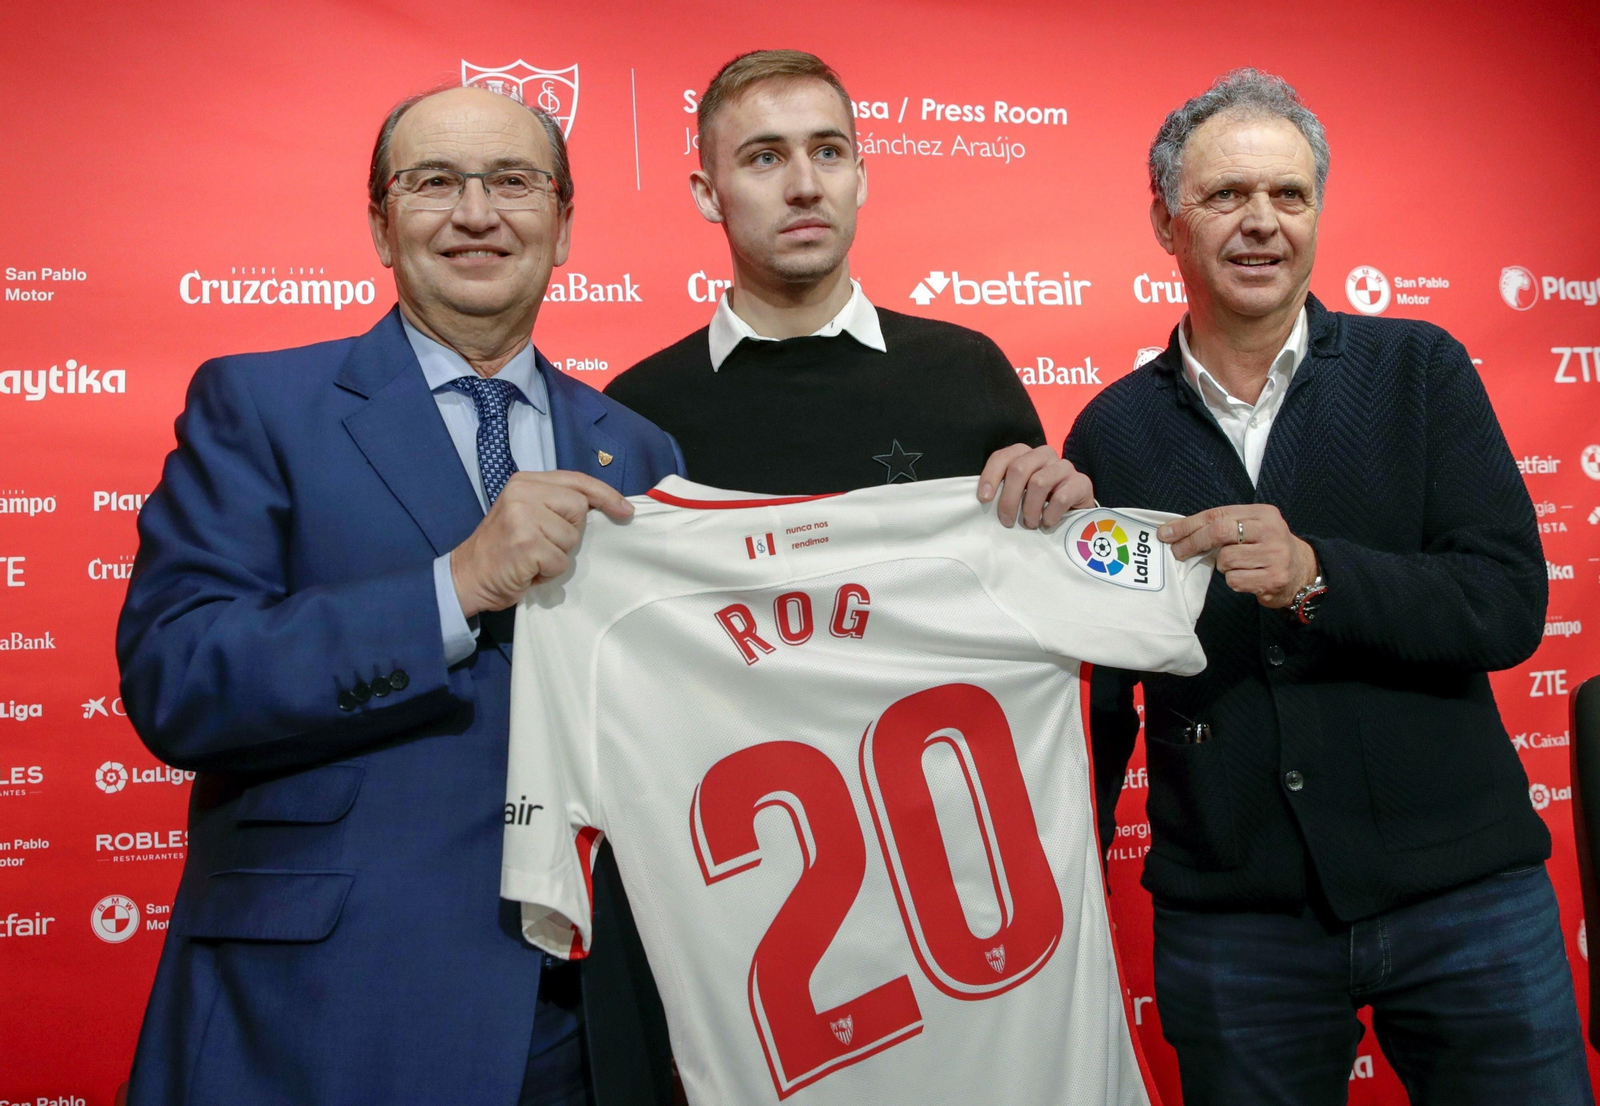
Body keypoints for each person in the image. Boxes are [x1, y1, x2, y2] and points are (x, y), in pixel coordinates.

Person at [118, 85, 682, 1106]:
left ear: (562, 227)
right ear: (381, 225)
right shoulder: (259, 403)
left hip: (589, 1020)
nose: (476, 213)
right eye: (434, 182)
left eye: (513, 181)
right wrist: (453, 588)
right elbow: (179, 676)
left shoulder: (639, 449)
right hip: (325, 1015)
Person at [1063, 68, 1590, 1105]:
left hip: (1466, 900)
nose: (1262, 221)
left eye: (1289, 195)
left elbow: (1506, 602)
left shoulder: (1419, 369)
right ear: (1166, 222)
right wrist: (1068, 852)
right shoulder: (1110, 433)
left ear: (1316, 213)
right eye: (1226, 195)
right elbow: (1099, 691)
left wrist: (1316, 576)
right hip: (1235, 924)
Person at [605, 49, 1089, 525]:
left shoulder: (968, 369)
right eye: (766, 158)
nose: (805, 186)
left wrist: (1072, 525)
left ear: (858, 180)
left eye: (828, 153)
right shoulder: (638, 410)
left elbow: (1033, 558)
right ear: (709, 195)